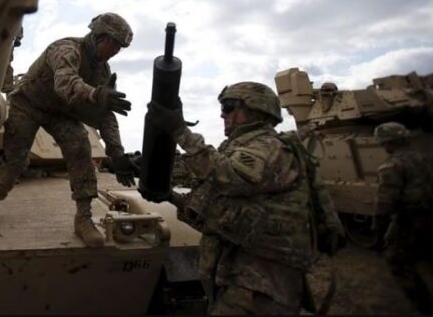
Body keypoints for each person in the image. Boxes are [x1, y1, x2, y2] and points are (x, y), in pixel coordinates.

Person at [147, 82, 343, 315]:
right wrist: (170, 197)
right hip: (239, 277)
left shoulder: (269, 146)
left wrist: (180, 131)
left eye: (229, 107)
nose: (222, 114)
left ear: (256, 109)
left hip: (261, 286)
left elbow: (230, 176)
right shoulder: (242, 149)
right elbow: (216, 213)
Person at [0, 13, 138, 247]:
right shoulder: (66, 49)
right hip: (28, 104)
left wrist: (118, 154)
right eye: (113, 43)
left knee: (81, 148)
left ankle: (83, 218)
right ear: (98, 36)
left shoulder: (102, 72)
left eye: (120, 47)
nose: (115, 51)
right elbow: (65, 82)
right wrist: (95, 94)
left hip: (60, 112)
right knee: (15, 159)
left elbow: (105, 115)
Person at [373, 121, 433, 314]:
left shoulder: (391, 165)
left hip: (409, 219)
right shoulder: (423, 157)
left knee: (396, 260)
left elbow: (385, 202)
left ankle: (423, 306)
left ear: (387, 143)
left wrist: (380, 228)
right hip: (429, 214)